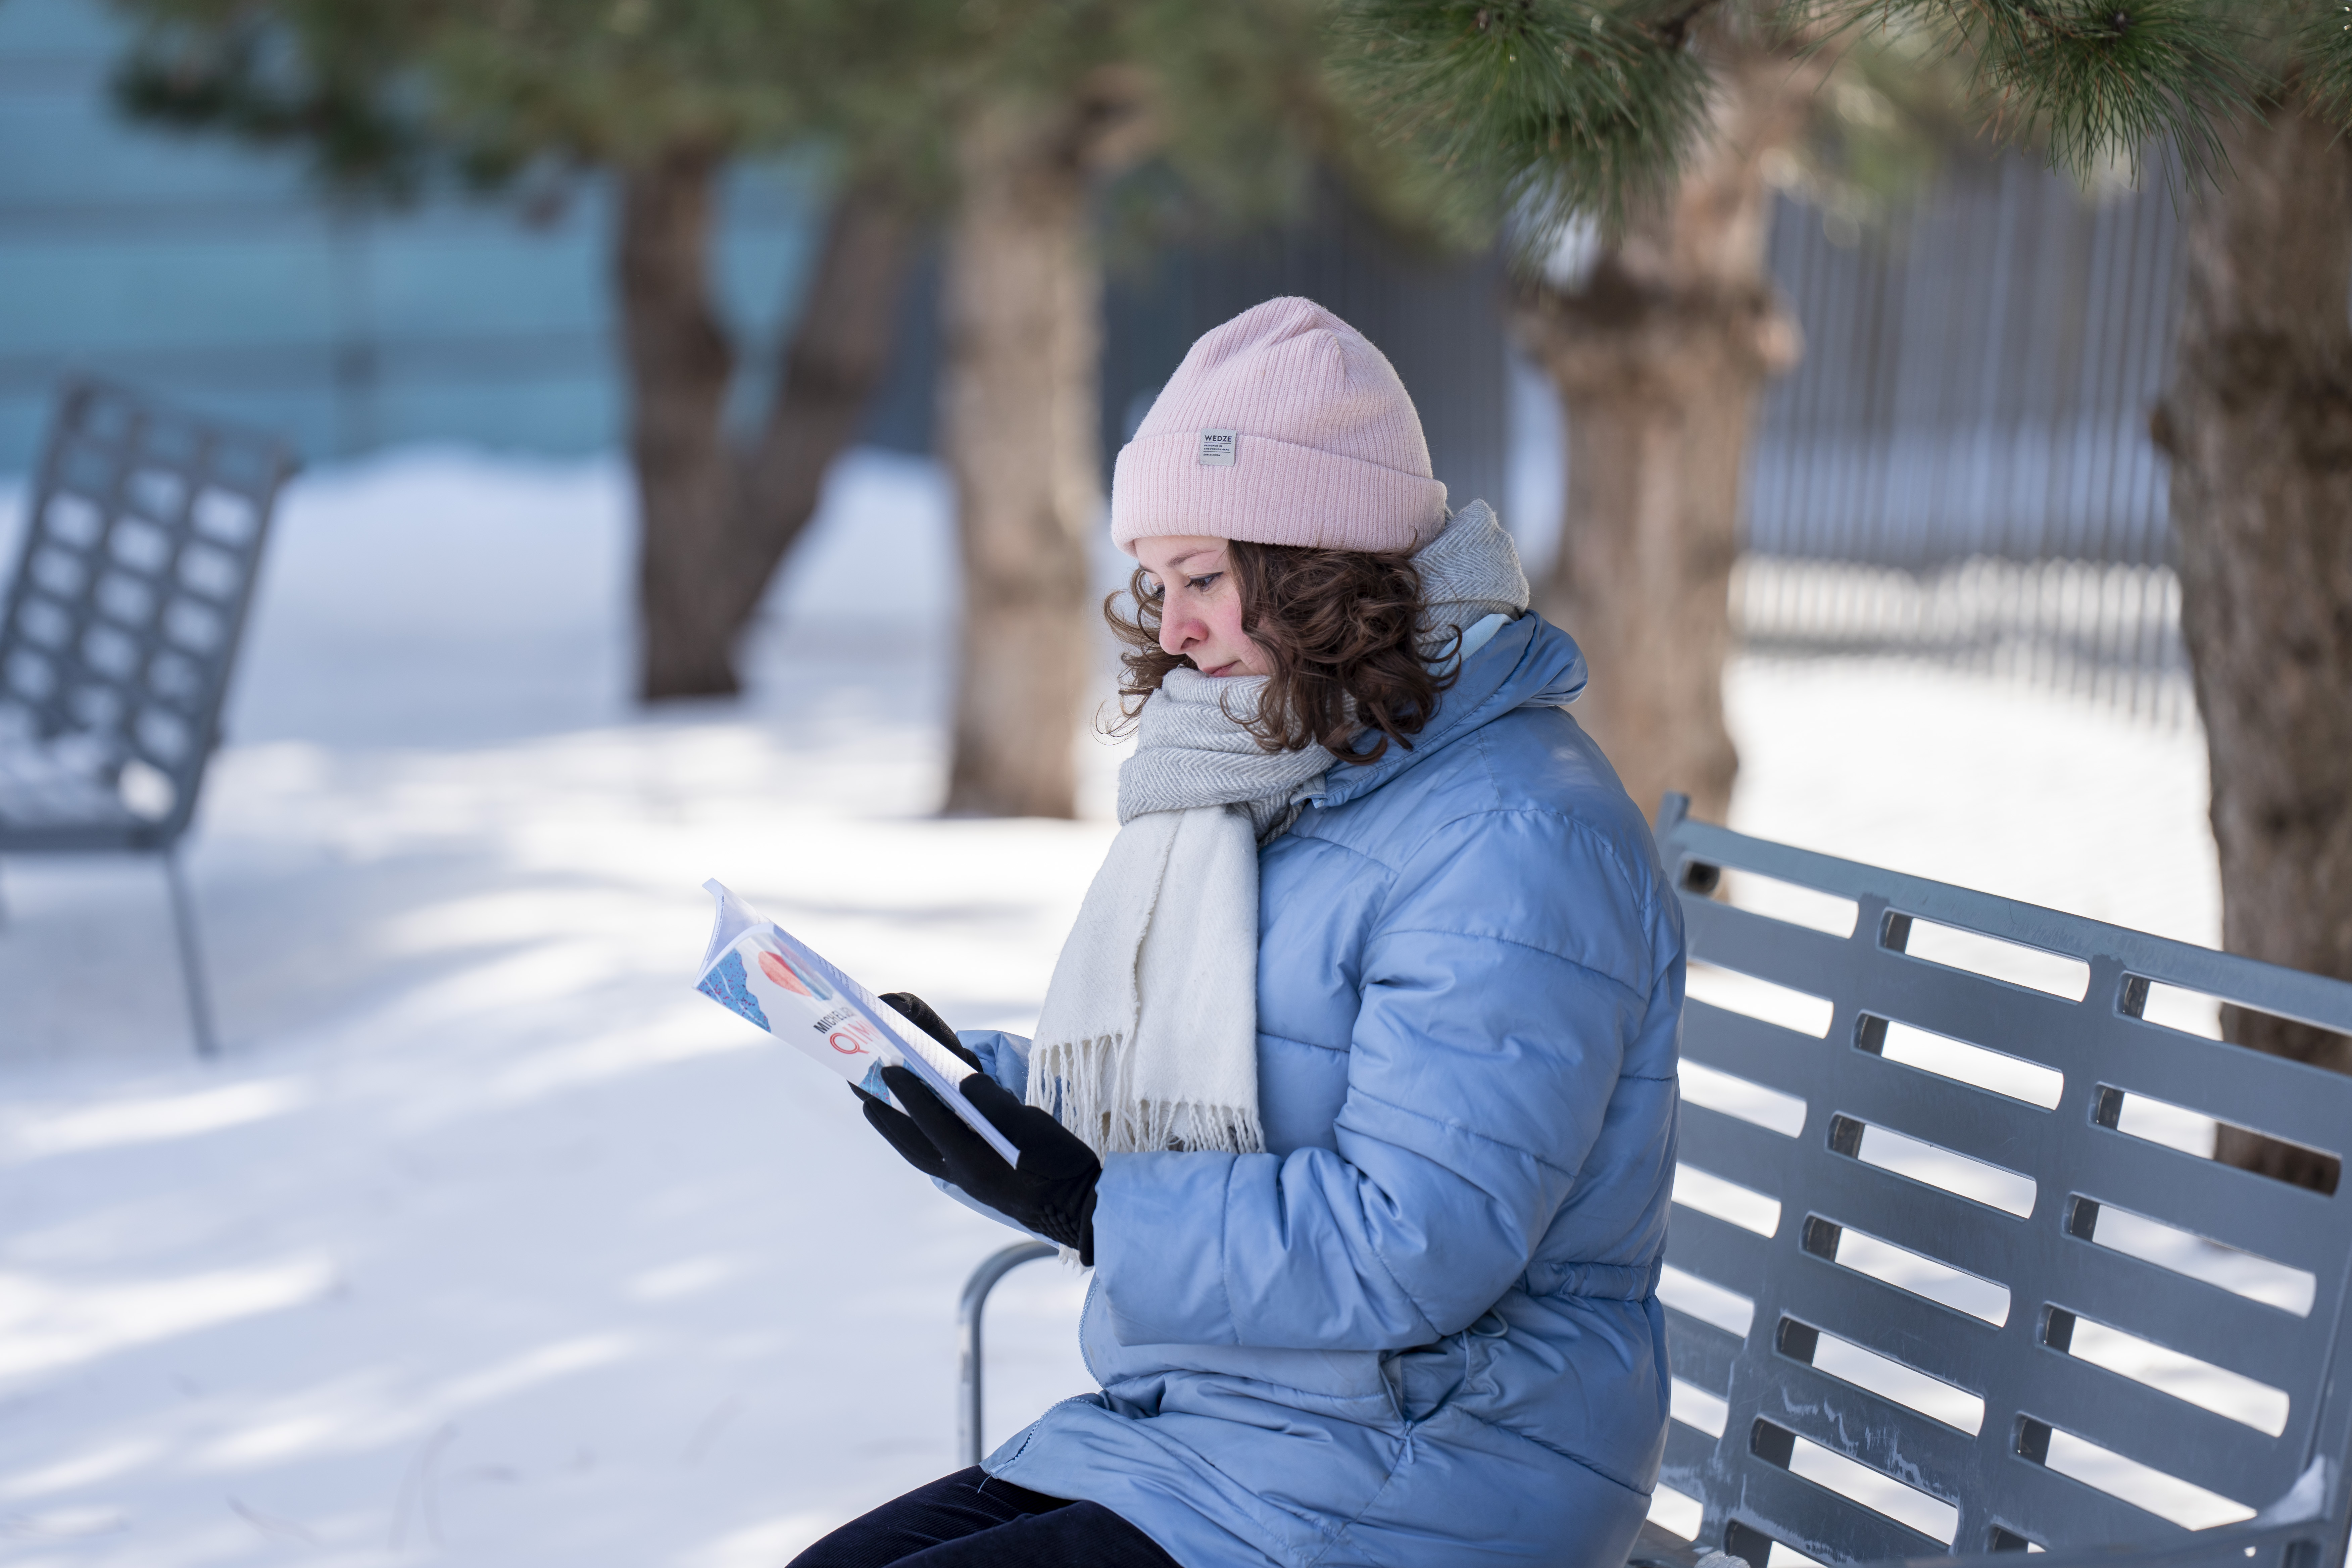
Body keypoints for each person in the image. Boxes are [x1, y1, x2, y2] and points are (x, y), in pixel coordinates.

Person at [796, 296, 1684, 1568]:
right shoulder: (1299, 778)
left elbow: (1416, 1241)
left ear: (1324, 569)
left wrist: (1100, 1207)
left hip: (1449, 1459)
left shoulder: (1515, 837)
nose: (1172, 629)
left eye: (1205, 578)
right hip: (1233, 1429)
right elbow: (1227, 1086)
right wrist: (977, 1100)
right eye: (1157, 584)